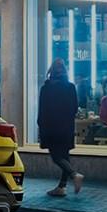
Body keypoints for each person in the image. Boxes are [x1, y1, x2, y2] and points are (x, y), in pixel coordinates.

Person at [37, 58, 84, 197]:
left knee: (56, 156)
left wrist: (41, 126)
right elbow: (75, 108)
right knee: (64, 155)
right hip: (67, 128)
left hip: (51, 128)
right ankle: (62, 187)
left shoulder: (46, 88)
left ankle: (74, 175)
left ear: (50, 71)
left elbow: (42, 110)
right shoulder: (70, 87)